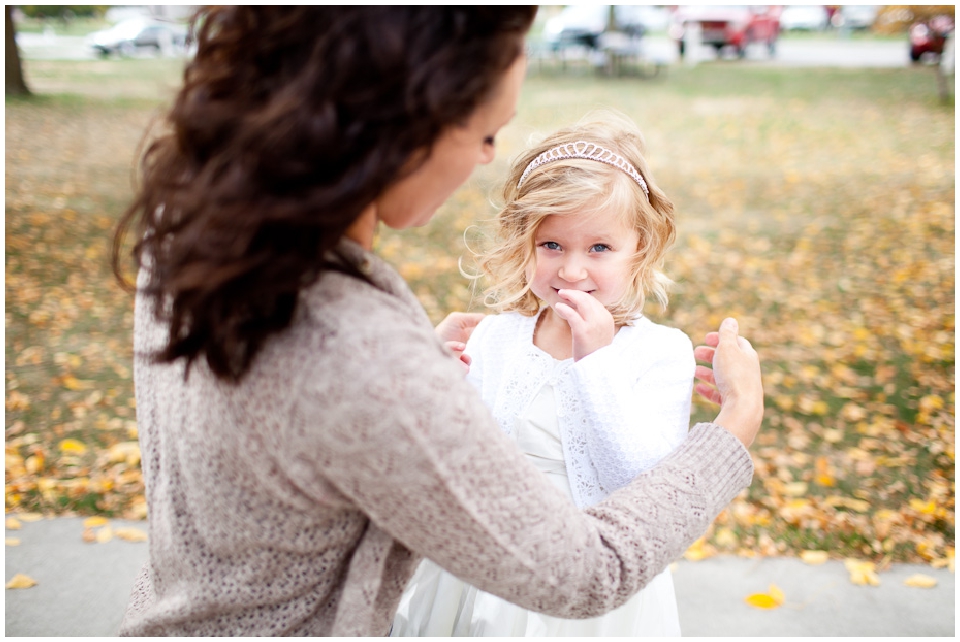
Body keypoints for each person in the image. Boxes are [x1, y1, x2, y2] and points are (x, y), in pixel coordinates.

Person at [111, 6, 763, 637]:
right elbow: (586, 572)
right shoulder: (361, 348)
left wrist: (412, 379)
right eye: (484, 133)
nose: (487, 159)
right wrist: (735, 424)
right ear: (404, 123)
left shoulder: (182, 232)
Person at [392, 113, 693, 636]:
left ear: (639, 248)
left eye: (599, 248)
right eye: (552, 246)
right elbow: (455, 458)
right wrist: (428, 378)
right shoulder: (500, 336)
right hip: (486, 565)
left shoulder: (662, 353)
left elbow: (642, 485)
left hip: (591, 575)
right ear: (525, 244)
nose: (572, 271)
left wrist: (597, 361)